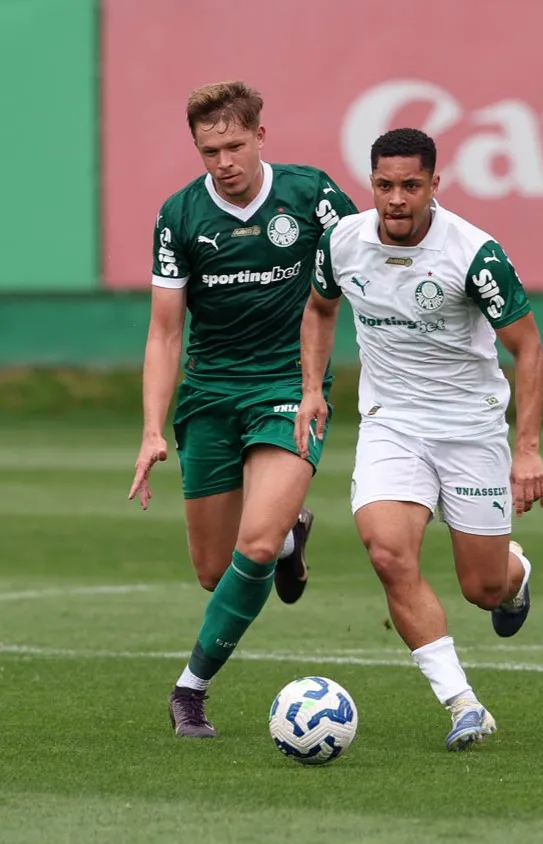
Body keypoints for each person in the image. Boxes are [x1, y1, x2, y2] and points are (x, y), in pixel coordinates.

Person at [295, 128, 543, 750]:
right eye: (385, 185)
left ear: (435, 184)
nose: (396, 199)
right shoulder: (342, 242)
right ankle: (462, 703)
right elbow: (320, 309)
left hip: (470, 430)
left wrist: (528, 447)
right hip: (392, 424)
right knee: (387, 552)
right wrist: (312, 389)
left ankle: (516, 575)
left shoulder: (474, 253)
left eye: (411, 185)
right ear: (372, 185)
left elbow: (528, 348)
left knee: (482, 588)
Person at [128, 81, 357, 737]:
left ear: (260, 135)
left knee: (250, 548)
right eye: (209, 151)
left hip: (288, 388)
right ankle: (290, 535)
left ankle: (189, 691)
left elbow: (370, 267)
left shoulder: (311, 196)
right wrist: (150, 430)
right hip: (209, 396)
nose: (223, 161)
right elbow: (165, 331)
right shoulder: (179, 217)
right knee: (213, 570)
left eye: (233, 145)